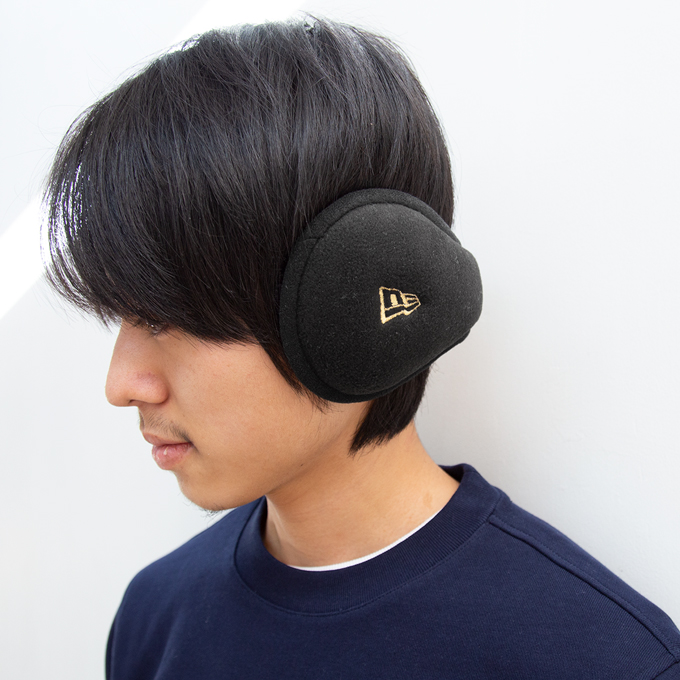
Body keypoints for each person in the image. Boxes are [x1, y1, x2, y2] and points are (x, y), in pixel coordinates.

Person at [43, 17, 680, 680]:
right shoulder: (156, 616)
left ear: (352, 299)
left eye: (166, 316)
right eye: (121, 317)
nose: (122, 384)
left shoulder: (604, 660)